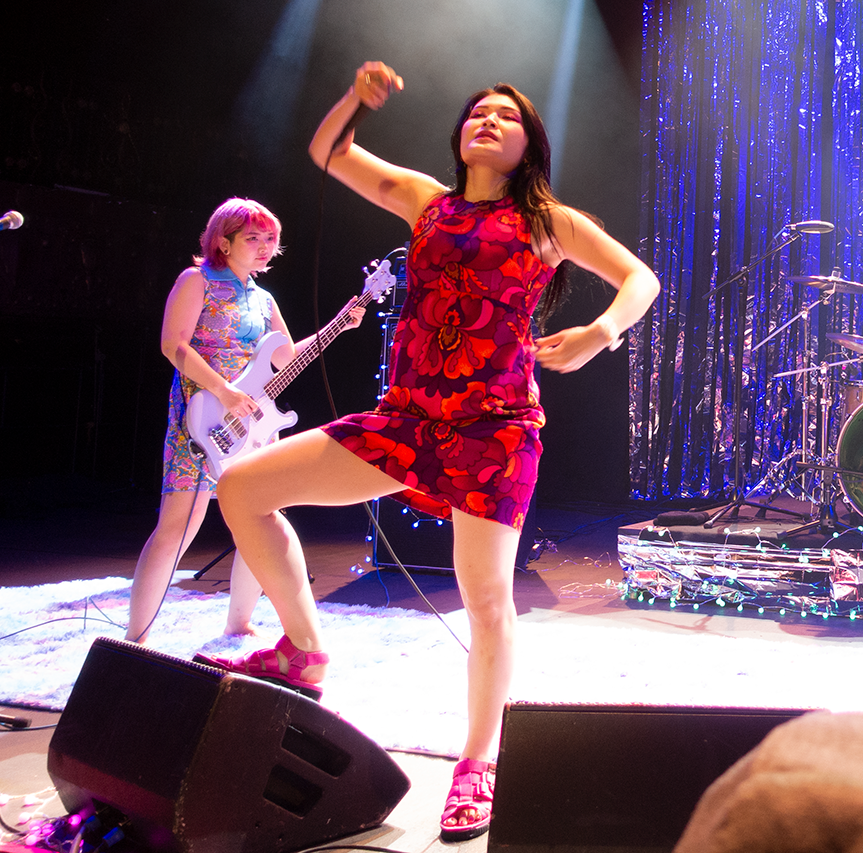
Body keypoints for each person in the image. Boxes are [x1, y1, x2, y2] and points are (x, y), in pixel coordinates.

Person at [207, 63, 659, 842]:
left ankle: (478, 761)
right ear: (459, 136)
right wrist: (354, 98)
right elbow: (329, 153)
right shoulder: (425, 201)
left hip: (496, 428)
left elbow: (639, 278)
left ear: (527, 146)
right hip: (406, 420)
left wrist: (598, 333)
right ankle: (305, 651)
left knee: (485, 598)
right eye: (477, 112)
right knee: (242, 488)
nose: (488, 121)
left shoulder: (547, 218)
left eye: (505, 118)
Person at [126, 199, 363, 644]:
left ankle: (239, 624)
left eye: (270, 239)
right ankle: (135, 635)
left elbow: (286, 357)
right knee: (179, 524)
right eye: (253, 238)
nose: (264, 247)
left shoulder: (263, 297)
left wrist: (338, 327)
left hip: (252, 423)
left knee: (258, 518)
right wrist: (223, 390)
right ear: (223, 240)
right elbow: (172, 345)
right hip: (203, 415)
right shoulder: (197, 280)